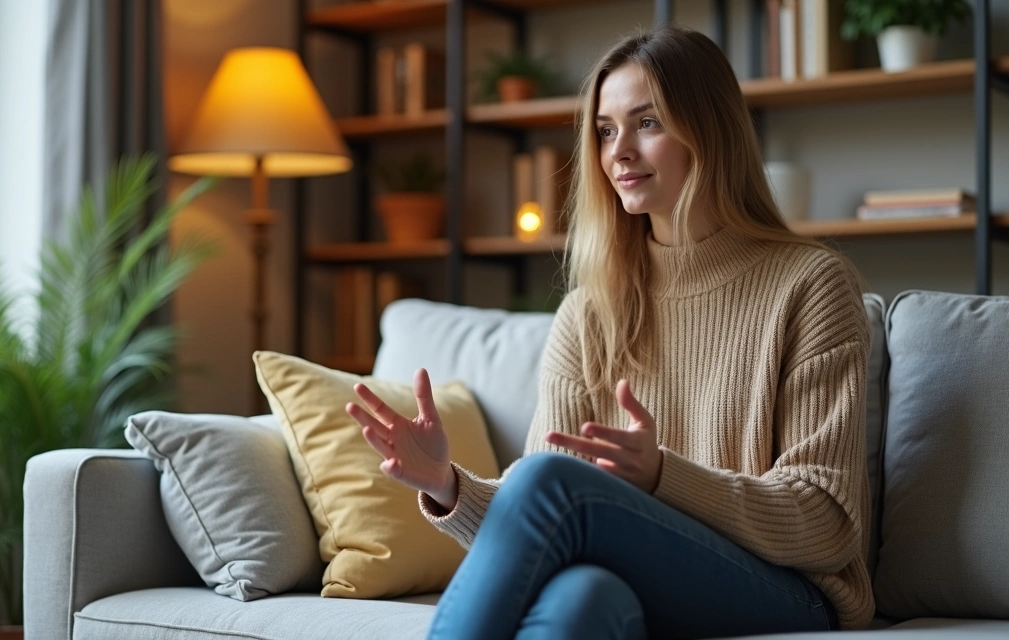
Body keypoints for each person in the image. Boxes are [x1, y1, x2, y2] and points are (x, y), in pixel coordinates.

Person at [345, 25, 873, 639]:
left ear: (710, 132)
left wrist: (662, 477)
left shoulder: (811, 284)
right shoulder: (590, 312)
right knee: (580, 600)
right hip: (639, 574)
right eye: (605, 131)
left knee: (547, 488)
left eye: (647, 123)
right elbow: (537, 520)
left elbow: (828, 523)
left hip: (792, 593)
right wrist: (445, 484)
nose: (618, 151)